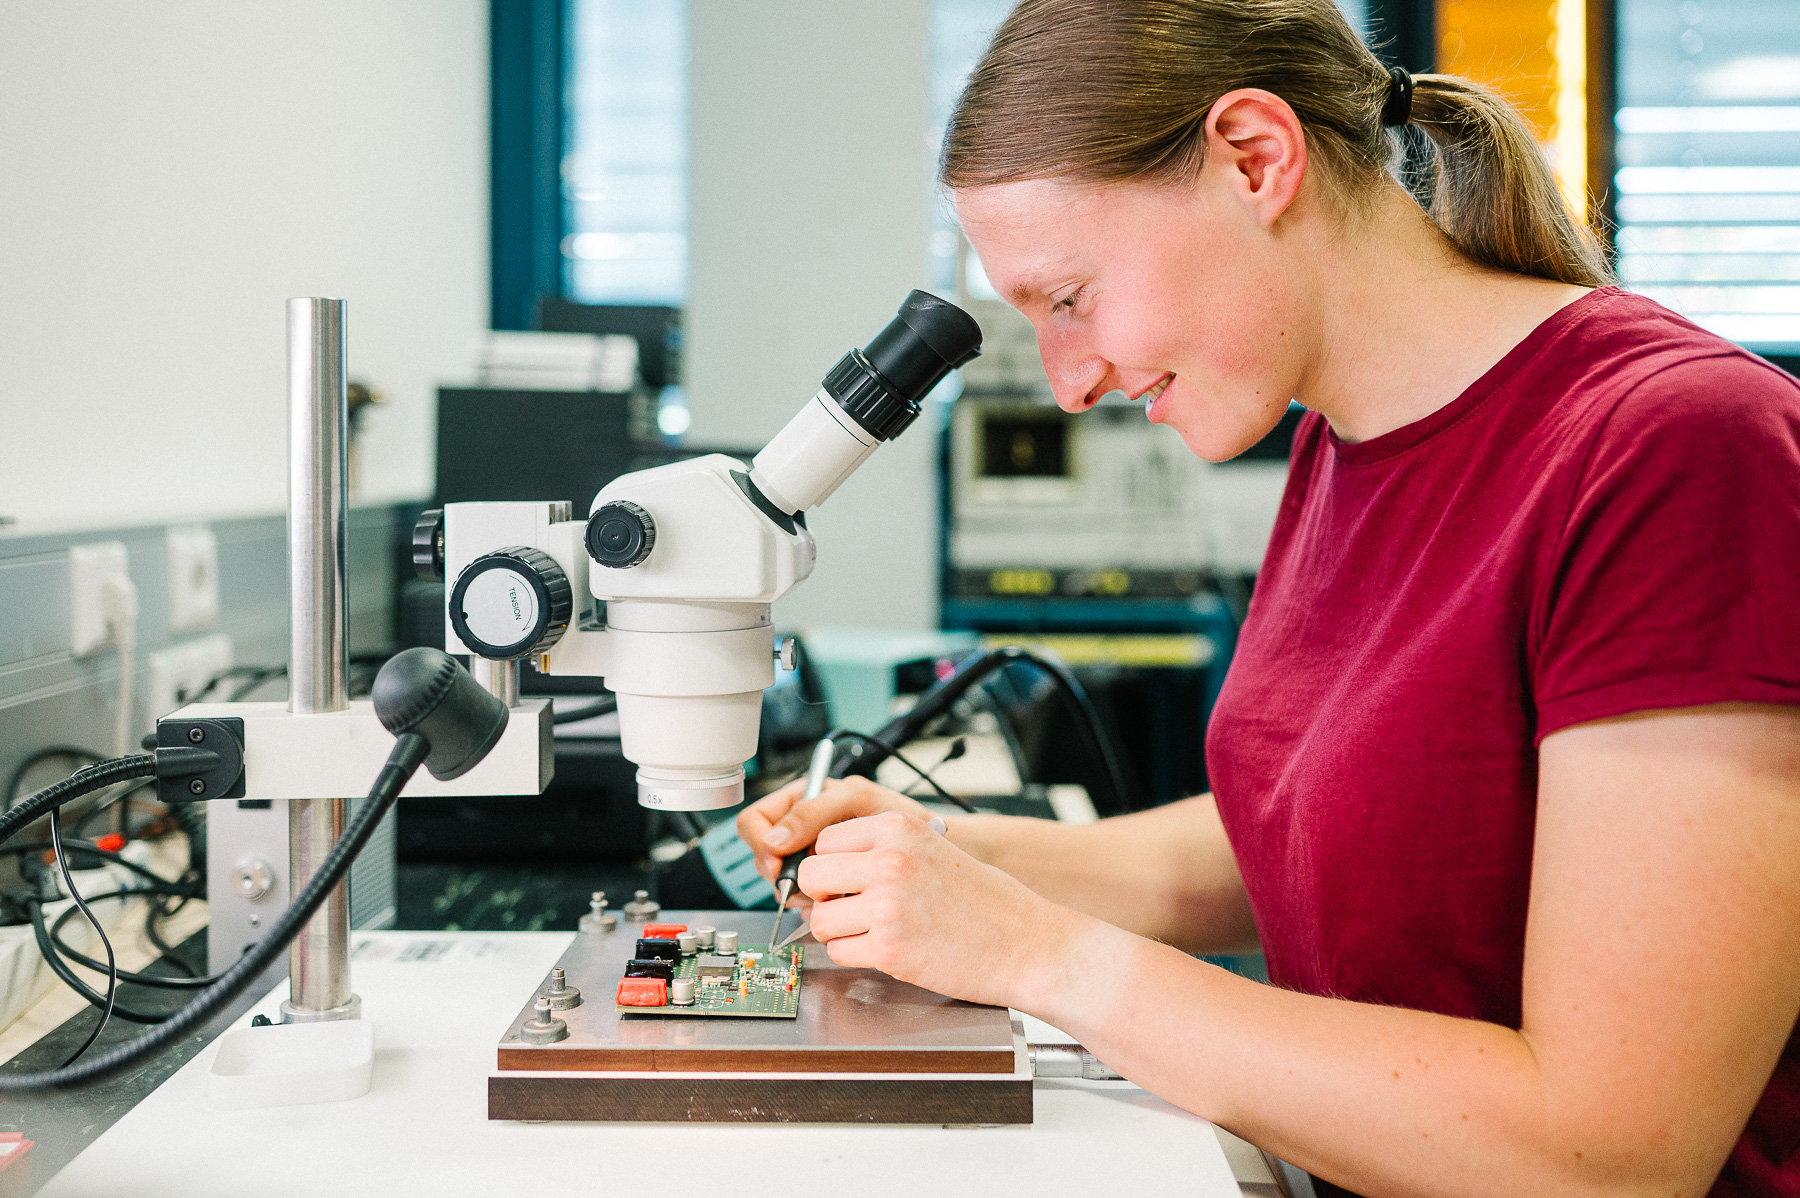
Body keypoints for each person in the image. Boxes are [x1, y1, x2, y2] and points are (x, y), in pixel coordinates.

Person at [737, 1, 1800, 1194]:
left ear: (1256, 157)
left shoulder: (1677, 449)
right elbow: (1345, 835)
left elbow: (1611, 1154)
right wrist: (954, 859)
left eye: (1070, 298)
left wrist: (1040, 953)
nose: (1068, 383)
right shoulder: (1342, 446)